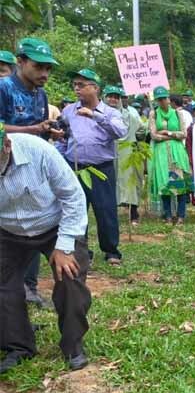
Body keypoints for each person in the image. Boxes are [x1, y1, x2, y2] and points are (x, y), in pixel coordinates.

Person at [0, 130, 92, 373]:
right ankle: (18, 346)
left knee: (69, 276)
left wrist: (64, 246)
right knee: (3, 284)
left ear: (7, 146)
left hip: (55, 224)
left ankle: (73, 344)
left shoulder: (38, 150)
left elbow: (73, 196)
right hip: (7, 230)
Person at [0, 37, 62, 308]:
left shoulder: (40, 93)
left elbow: (39, 130)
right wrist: (33, 130)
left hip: (34, 172)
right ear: (21, 62)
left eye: (48, 69)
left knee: (36, 223)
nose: (44, 74)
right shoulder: (3, 89)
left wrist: (49, 130)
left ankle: (30, 287)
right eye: (39, 67)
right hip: (5, 170)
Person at [58, 68, 127, 265]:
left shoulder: (110, 112)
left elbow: (120, 131)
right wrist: (60, 158)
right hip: (75, 167)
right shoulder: (69, 110)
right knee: (77, 210)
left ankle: (111, 250)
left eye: (81, 85)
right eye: (75, 85)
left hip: (101, 168)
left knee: (105, 209)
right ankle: (82, 250)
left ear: (95, 88)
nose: (77, 89)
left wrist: (95, 116)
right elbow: (63, 137)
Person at [148, 86, 192, 224]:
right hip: (161, 152)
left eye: (164, 98)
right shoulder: (153, 114)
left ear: (169, 99)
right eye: (159, 99)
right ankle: (167, 215)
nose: (162, 102)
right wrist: (170, 136)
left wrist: (168, 133)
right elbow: (153, 135)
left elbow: (183, 134)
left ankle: (180, 215)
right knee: (164, 183)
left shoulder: (178, 113)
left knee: (179, 184)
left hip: (177, 152)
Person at [103, 86, 145, 226]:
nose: (113, 99)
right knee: (109, 182)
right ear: (104, 97)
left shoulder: (130, 116)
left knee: (130, 182)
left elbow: (141, 129)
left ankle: (133, 213)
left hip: (127, 152)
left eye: (116, 97)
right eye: (110, 96)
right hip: (106, 152)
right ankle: (110, 214)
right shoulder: (99, 114)